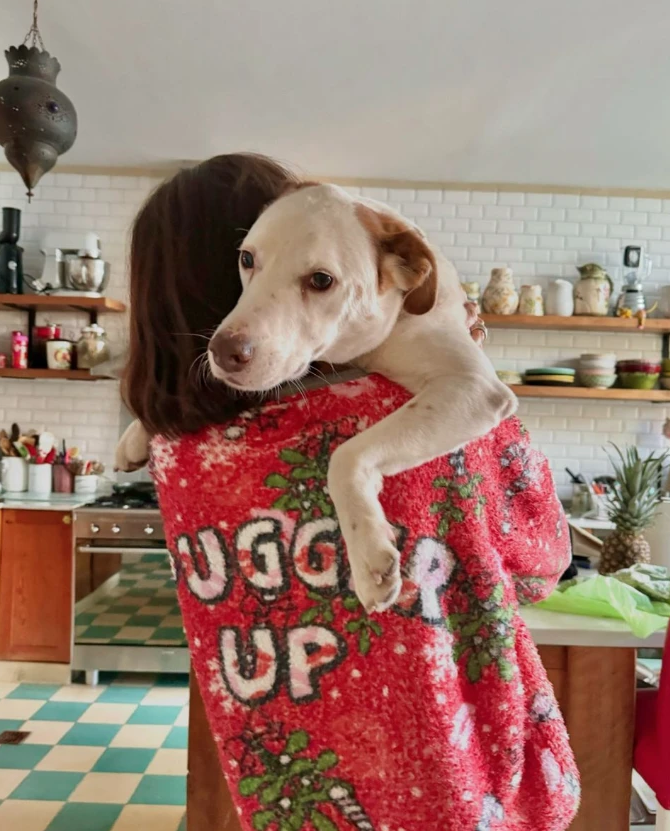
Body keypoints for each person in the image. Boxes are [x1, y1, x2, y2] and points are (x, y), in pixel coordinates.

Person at [124, 153, 579, 831]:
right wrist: (467, 345)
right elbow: (542, 552)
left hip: (292, 795)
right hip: (456, 789)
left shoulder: (174, 454)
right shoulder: (410, 429)